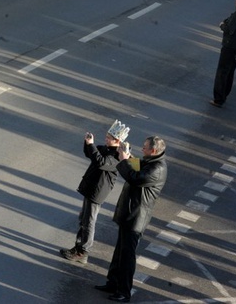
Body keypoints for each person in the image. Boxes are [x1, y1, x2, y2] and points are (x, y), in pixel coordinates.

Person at [96, 136, 167, 303]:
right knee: (119, 252)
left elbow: (135, 177)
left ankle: (124, 291)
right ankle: (113, 283)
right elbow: (137, 166)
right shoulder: (151, 161)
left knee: (127, 256)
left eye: (145, 148)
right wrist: (128, 156)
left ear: (154, 150)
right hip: (129, 213)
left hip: (136, 217)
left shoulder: (157, 168)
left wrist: (123, 161)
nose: (142, 150)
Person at [59, 120, 130, 264]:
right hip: (90, 189)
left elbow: (100, 162)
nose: (106, 139)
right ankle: (78, 247)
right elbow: (91, 154)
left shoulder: (116, 156)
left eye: (109, 138)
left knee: (89, 221)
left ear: (117, 140)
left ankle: (83, 251)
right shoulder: (106, 149)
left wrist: (91, 145)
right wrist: (88, 143)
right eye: (106, 136)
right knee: (83, 219)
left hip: (97, 192)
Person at [211, 0, 236, 108]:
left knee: (222, 72)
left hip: (230, 48)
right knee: (230, 72)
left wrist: (222, 25)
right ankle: (224, 95)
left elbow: (229, 29)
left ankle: (218, 98)